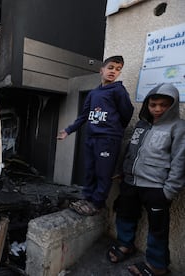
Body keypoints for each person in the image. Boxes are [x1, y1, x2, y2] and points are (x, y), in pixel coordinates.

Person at [107, 83, 185, 276]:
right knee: (125, 215)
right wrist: (120, 170)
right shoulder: (141, 125)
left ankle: (157, 265)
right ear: (147, 104)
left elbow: (180, 160)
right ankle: (125, 245)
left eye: (163, 105)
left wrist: (169, 191)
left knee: (158, 228)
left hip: (156, 187)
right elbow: (129, 149)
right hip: (130, 182)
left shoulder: (178, 127)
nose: (157, 109)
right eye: (153, 104)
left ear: (173, 106)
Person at [57, 55, 134, 215]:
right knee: (90, 170)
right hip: (91, 138)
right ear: (102, 70)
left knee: (103, 173)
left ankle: (97, 204)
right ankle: (87, 198)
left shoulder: (118, 90)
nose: (114, 71)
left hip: (108, 140)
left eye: (118, 69)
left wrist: (114, 129)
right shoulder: (94, 93)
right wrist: (69, 130)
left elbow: (127, 112)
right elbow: (84, 116)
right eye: (111, 67)